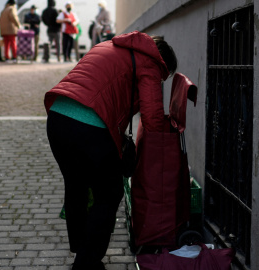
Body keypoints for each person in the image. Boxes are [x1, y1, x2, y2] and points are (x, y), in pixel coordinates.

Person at [44, 31, 178, 270]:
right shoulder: (150, 63)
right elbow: (153, 118)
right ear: (163, 63)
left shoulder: (108, 46)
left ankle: (81, 248)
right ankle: (86, 262)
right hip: (90, 125)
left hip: (57, 118)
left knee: (76, 185)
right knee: (109, 193)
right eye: (163, 78)